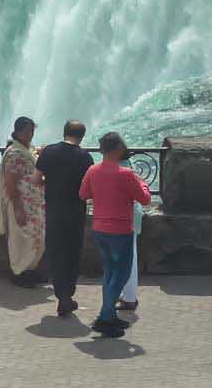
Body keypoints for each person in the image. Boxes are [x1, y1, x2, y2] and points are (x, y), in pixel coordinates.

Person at [78, 132, 152, 337]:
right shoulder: (126, 174)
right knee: (121, 274)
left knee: (110, 273)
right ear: (118, 148)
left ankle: (109, 316)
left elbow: (83, 194)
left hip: (100, 228)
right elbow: (144, 198)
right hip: (120, 231)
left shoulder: (93, 171)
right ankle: (104, 316)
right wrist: (142, 183)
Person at [36, 120, 94, 317]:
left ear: (64, 132)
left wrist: (51, 181)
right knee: (71, 253)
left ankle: (61, 294)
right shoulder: (85, 157)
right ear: (82, 136)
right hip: (75, 212)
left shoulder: (49, 152)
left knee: (55, 251)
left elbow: (36, 179)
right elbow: (89, 188)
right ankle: (67, 295)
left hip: (53, 210)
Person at [0, 116, 46, 286]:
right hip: (22, 203)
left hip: (32, 203)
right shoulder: (14, 153)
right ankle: (19, 273)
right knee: (21, 238)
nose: (30, 135)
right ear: (18, 132)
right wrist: (17, 207)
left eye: (32, 131)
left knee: (33, 237)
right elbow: (10, 182)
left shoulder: (25, 150)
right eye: (27, 132)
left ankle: (31, 270)